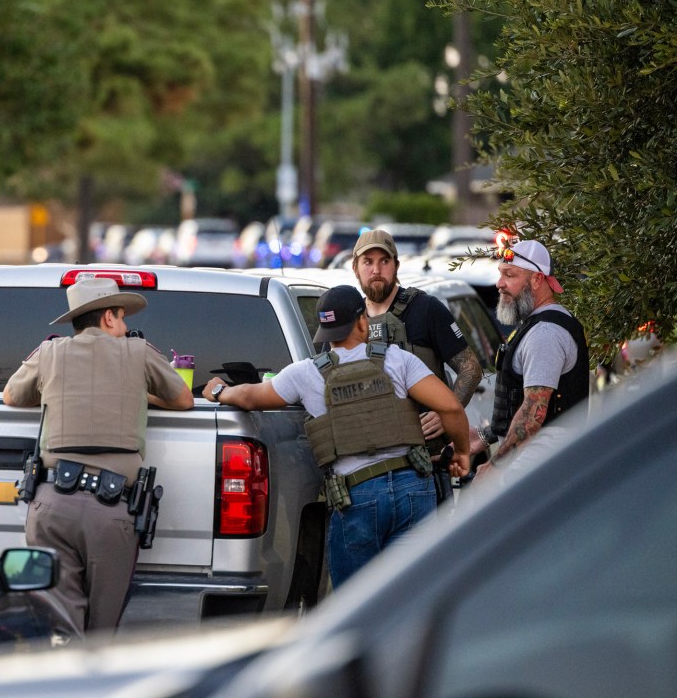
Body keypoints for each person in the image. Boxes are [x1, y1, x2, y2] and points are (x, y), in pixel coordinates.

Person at [202, 285, 470, 587]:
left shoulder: (304, 374)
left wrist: (219, 391)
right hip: (413, 488)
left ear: (324, 332)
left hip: (357, 494)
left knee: (355, 601)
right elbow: (450, 407)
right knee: (413, 595)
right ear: (362, 322)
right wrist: (462, 452)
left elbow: (250, 396)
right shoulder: (397, 359)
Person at [2, 278, 193, 635]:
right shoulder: (138, 352)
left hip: (50, 507)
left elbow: (11, 396)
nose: (124, 328)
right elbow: (183, 399)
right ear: (108, 318)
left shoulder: (49, 353)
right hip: (112, 510)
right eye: (121, 319)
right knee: (101, 633)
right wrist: (141, 395)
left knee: (61, 625)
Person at [351, 229, 483, 498]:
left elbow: (471, 368)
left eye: (384, 261)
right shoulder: (349, 317)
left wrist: (447, 413)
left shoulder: (426, 309)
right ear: (356, 269)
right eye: (368, 262)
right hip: (369, 472)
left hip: (424, 470)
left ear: (396, 266)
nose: (376, 269)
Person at [477, 239, 589, 476]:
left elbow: (531, 414)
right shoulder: (536, 325)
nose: (499, 284)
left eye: (510, 275)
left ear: (537, 280)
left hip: (541, 466)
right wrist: (484, 436)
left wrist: (495, 467)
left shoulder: (545, 333)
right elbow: (516, 401)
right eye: (500, 274)